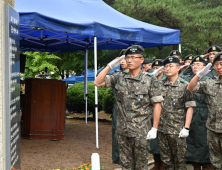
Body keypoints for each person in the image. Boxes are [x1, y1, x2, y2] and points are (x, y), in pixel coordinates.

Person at [94, 45, 163, 170]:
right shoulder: (119, 77)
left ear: (141, 60)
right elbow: (97, 82)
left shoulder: (150, 80)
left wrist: (154, 128)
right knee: (125, 166)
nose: (129, 60)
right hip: (123, 131)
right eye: (127, 58)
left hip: (141, 132)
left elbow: (157, 104)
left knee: (141, 166)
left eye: (133, 57)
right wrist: (110, 66)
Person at [157, 56, 196, 170]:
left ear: (178, 68)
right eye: (166, 66)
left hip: (177, 130)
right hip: (162, 129)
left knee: (179, 161)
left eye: (171, 66)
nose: (168, 69)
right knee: (166, 161)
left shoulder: (185, 85)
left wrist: (186, 127)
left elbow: (190, 107)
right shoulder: (159, 84)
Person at [187, 52, 222, 169]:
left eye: (221, 64)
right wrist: (198, 75)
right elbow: (190, 88)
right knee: (216, 162)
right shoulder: (210, 82)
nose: (218, 67)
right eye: (216, 64)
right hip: (213, 129)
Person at [183, 56, 212, 170]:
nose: (195, 66)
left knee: (204, 143)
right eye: (193, 65)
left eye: (198, 65)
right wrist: (186, 68)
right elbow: (180, 77)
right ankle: (195, 166)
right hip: (190, 114)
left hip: (205, 114)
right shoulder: (187, 77)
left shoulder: (210, 78)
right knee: (191, 142)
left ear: (205, 67)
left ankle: (206, 166)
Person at [111, 49, 129, 165]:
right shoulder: (117, 75)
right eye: (120, 60)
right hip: (118, 108)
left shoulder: (141, 76)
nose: (122, 62)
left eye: (124, 59)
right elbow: (99, 78)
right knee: (117, 134)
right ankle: (119, 159)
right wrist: (112, 64)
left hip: (133, 110)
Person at [149, 59, 165, 170]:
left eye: (158, 68)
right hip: (153, 114)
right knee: (154, 143)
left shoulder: (166, 80)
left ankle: (164, 164)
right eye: (154, 68)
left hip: (166, 115)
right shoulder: (150, 81)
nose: (156, 70)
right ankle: (156, 162)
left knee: (164, 141)